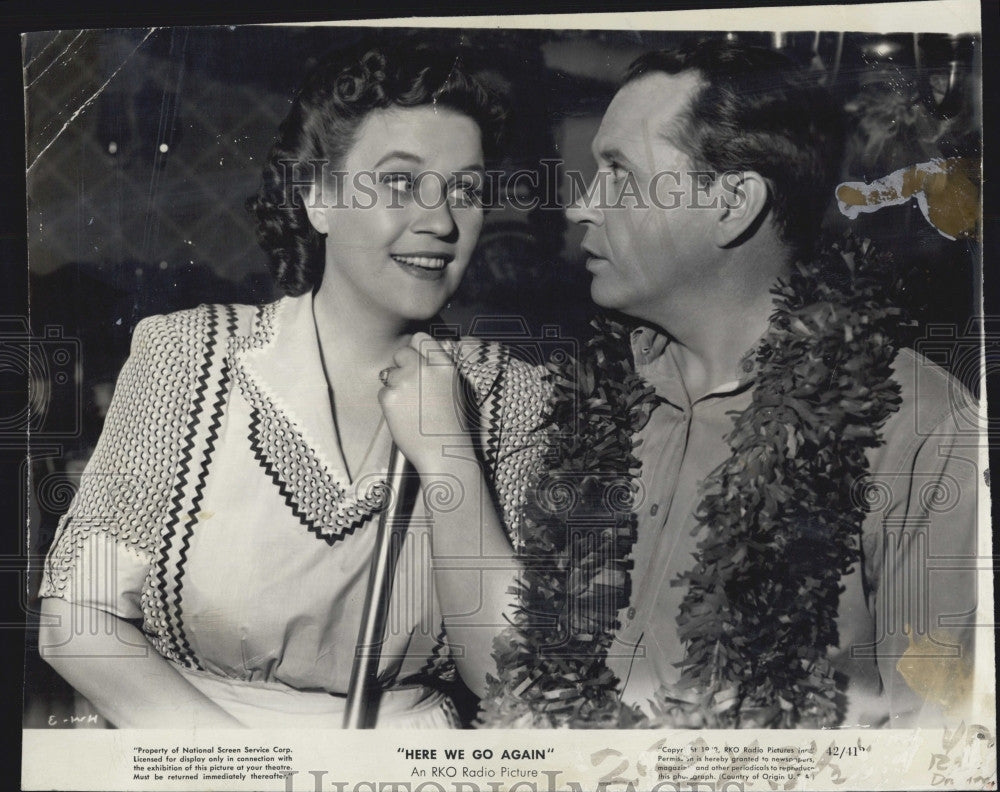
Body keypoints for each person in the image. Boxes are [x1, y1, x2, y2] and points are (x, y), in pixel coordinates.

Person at [38, 38, 546, 729]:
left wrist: (449, 452)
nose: (441, 222)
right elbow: (76, 613)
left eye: (465, 190)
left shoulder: (512, 396)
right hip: (199, 751)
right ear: (319, 199)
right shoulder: (188, 356)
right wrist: (250, 770)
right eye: (400, 183)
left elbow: (512, 679)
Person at [482, 40, 981, 729]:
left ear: (733, 204)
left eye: (619, 174)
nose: (581, 207)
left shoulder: (922, 428)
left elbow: (939, 745)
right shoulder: (591, 400)